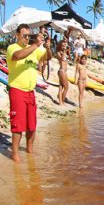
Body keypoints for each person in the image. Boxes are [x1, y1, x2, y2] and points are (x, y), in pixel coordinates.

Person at [7, 23, 52, 162]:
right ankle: (15, 154)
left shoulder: (34, 49)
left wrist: (48, 47)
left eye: (29, 36)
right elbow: (18, 56)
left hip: (30, 91)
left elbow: (47, 58)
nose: (27, 38)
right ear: (17, 36)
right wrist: (35, 45)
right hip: (17, 90)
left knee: (32, 124)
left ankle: (29, 150)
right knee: (18, 124)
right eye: (24, 36)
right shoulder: (12, 48)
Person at [56, 39, 70, 105]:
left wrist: (67, 51)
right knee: (66, 87)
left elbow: (69, 58)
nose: (63, 46)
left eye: (64, 45)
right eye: (62, 45)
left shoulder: (64, 52)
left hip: (64, 71)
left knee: (61, 87)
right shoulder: (58, 52)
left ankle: (60, 102)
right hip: (61, 71)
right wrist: (64, 51)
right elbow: (61, 59)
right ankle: (62, 101)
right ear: (59, 46)